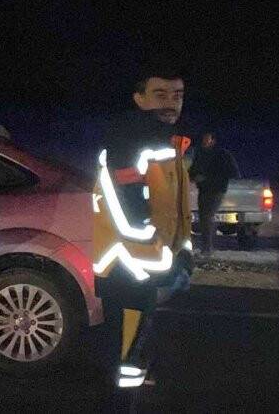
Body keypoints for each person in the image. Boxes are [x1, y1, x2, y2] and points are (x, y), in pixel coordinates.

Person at [94, 70, 193, 405]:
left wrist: (184, 252)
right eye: (161, 94)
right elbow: (123, 206)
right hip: (129, 269)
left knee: (133, 357)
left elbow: (173, 210)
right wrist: (159, 260)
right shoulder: (131, 137)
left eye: (177, 95)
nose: (171, 102)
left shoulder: (165, 139)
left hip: (146, 268)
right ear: (139, 98)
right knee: (123, 366)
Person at [189, 132, 240, 254]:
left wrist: (206, 178)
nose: (205, 141)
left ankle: (207, 248)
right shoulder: (200, 154)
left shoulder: (222, 154)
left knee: (207, 217)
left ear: (213, 140)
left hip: (217, 190)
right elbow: (193, 170)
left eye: (208, 139)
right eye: (203, 139)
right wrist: (193, 176)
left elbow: (232, 172)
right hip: (204, 190)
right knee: (203, 218)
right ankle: (206, 247)